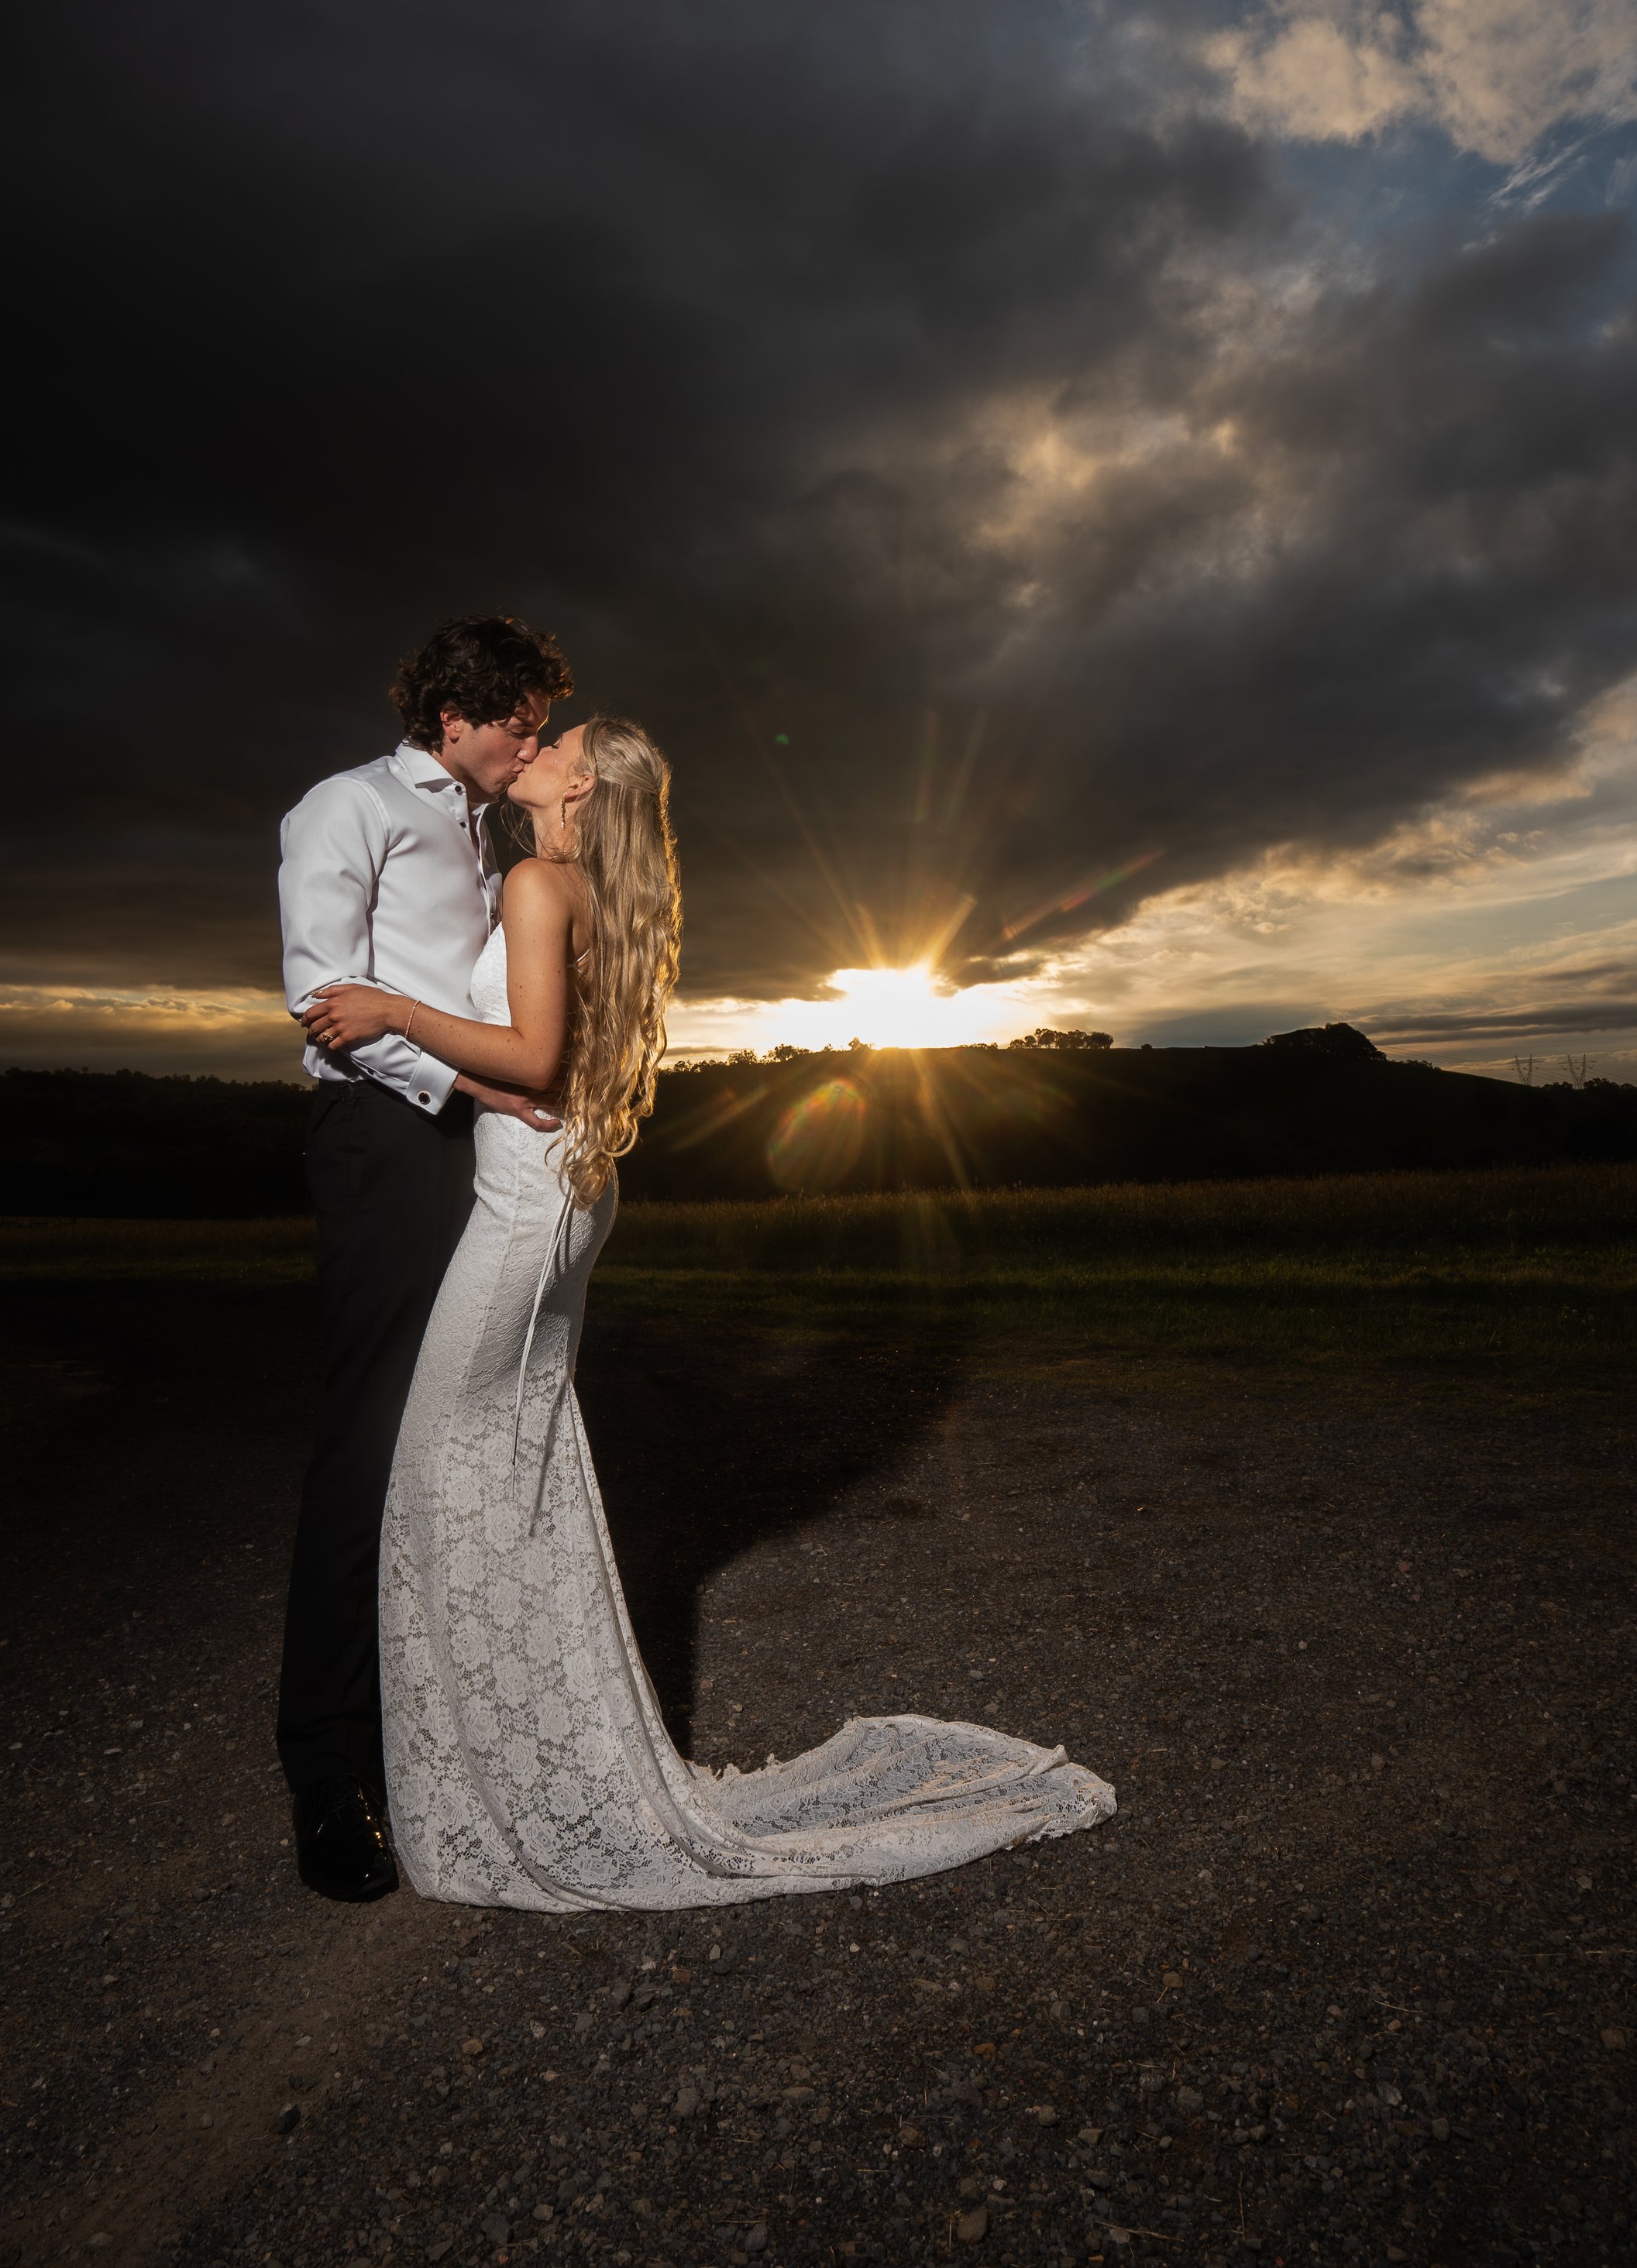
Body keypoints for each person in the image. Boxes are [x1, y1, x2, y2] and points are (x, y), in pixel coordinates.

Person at [304, 716, 1113, 1910]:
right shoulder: (582, 886)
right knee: (513, 1469)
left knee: (442, 1471)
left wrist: (391, 1010)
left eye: (555, 739)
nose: (530, 741)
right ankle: (525, 1761)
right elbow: (551, 1061)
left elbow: (532, 1055)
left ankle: (507, 1785)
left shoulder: (537, 878)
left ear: (579, 784)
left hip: (531, 1202)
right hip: (570, 1188)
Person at [277, 612, 574, 1902]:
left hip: (466, 1137)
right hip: (381, 1139)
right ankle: (327, 1771)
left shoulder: (486, 826)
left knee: (447, 1433)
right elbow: (322, 998)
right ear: (455, 712)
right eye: (522, 715)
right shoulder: (341, 807)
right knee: (370, 1436)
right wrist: (462, 1077)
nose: (535, 737)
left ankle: (435, 1724)